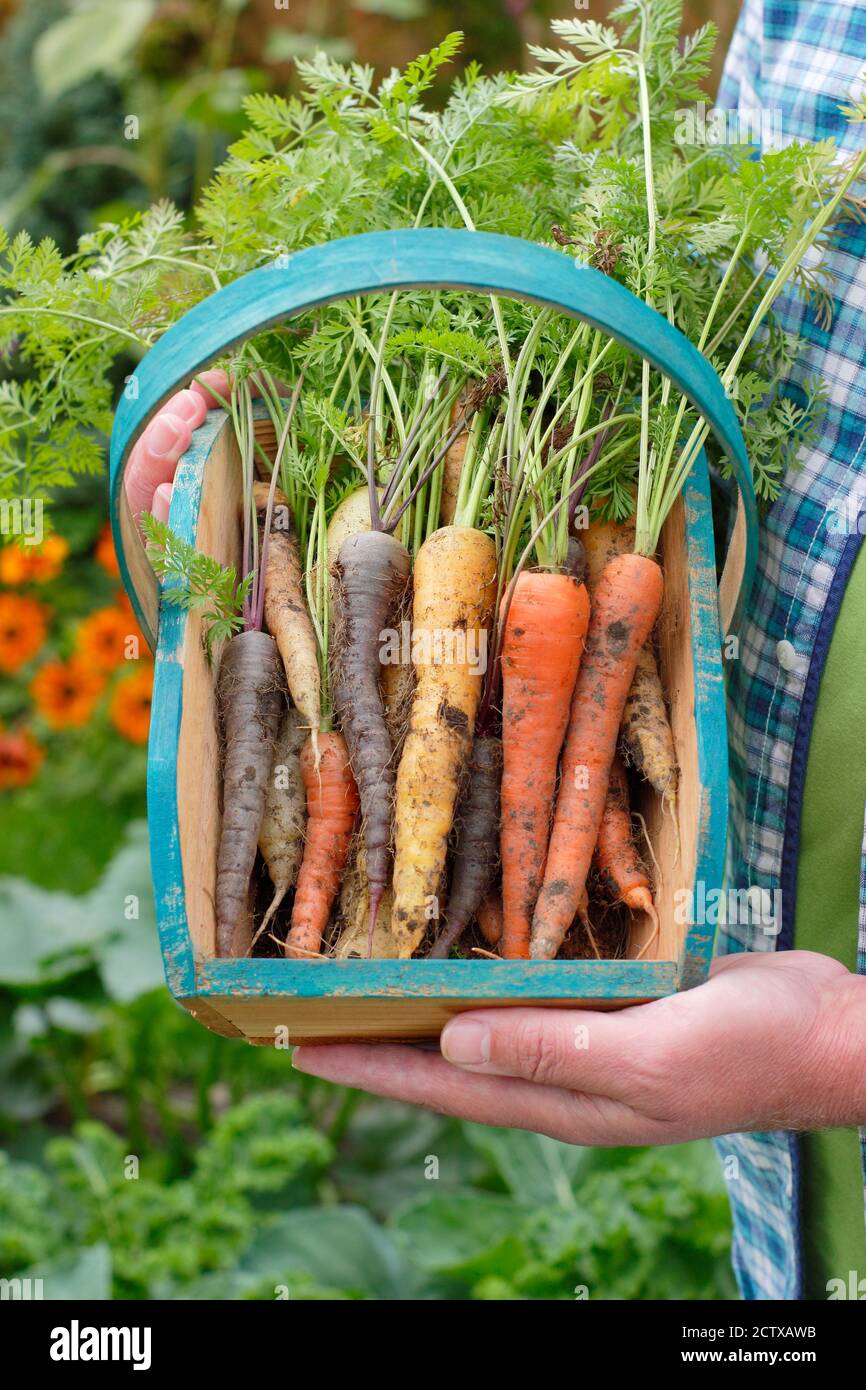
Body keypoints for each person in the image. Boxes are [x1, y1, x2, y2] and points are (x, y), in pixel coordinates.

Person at [126, 2, 866, 1301]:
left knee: (498, 745)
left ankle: (525, 880)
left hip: (801, 1031)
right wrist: (208, 529)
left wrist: (835, 1055)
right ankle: (458, 887)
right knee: (386, 717)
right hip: (780, 1041)